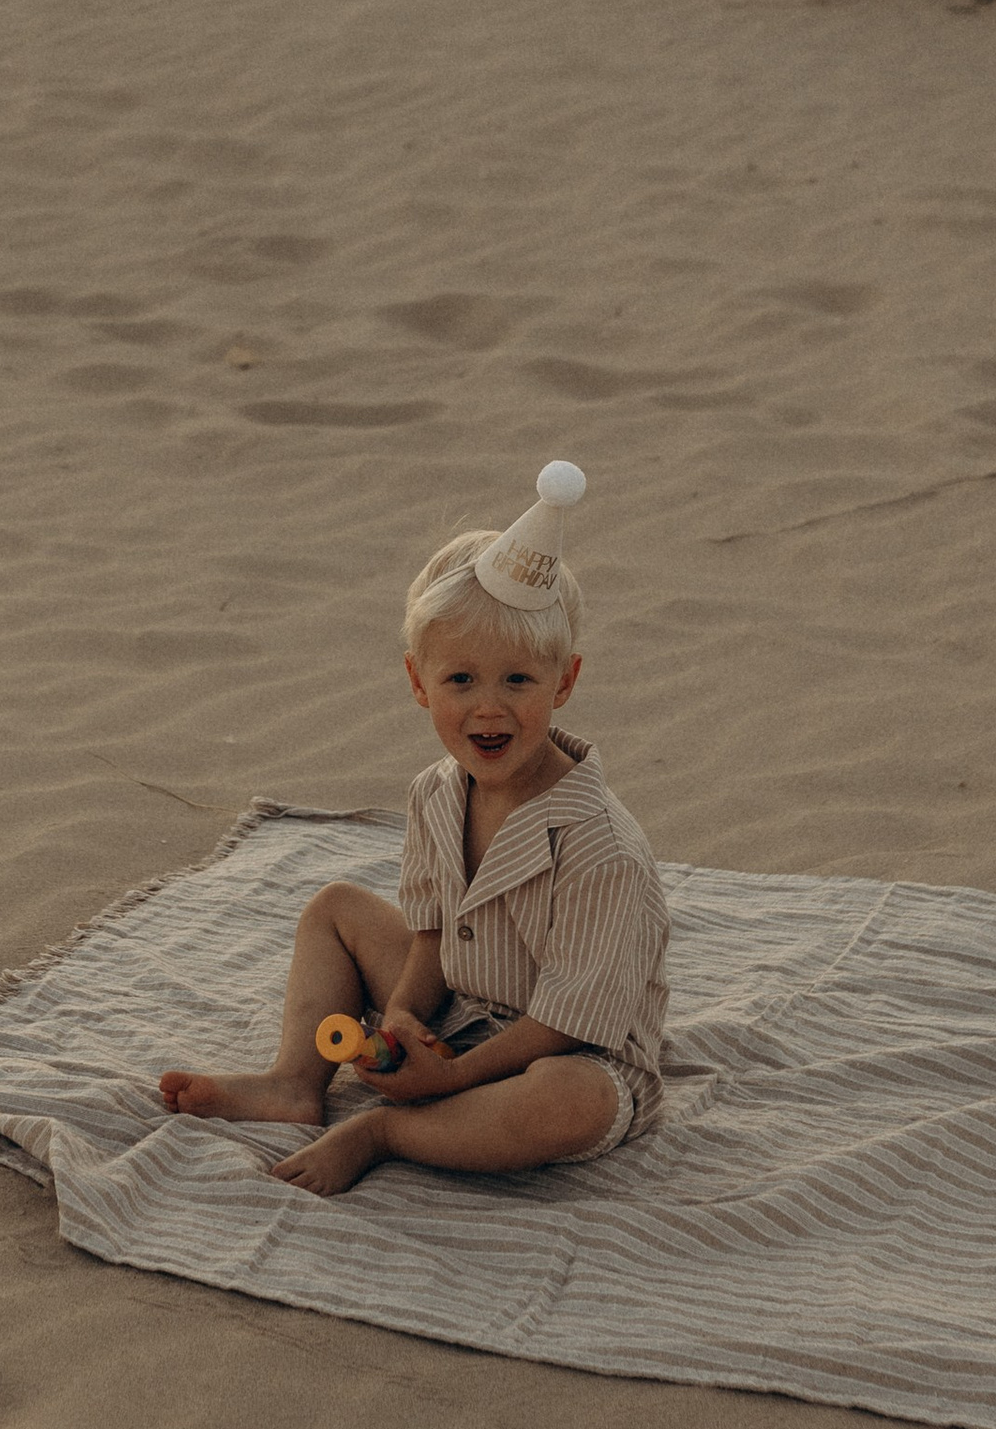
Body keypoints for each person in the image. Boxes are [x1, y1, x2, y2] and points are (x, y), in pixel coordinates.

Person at [157, 464, 668, 1194]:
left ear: (564, 681)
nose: (488, 708)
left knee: (564, 1100)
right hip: (464, 1008)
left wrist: (452, 1072)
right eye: (461, 679)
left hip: (573, 1049)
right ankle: (295, 1081)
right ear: (418, 681)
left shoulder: (598, 844)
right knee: (336, 908)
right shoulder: (436, 793)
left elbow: (563, 1019)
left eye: (517, 680)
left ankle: (387, 1130)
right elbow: (432, 932)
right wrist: (401, 1015)